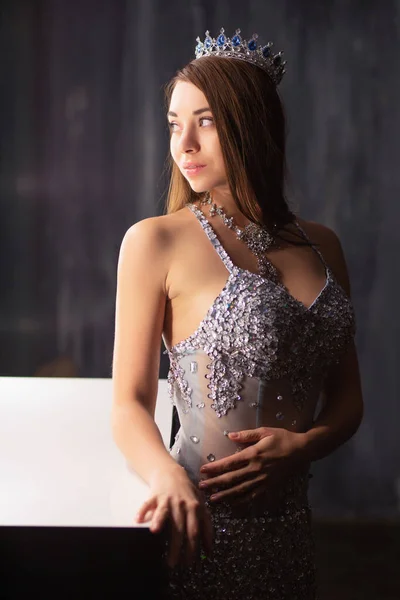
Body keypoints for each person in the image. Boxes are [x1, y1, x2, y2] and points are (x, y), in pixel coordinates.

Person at [111, 27, 363, 599]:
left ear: (252, 125)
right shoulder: (156, 242)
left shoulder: (324, 245)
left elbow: (349, 401)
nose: (185, 145)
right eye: (175, 124)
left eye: (205, 120)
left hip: (291, 538)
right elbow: (127, 404)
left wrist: (306, 446)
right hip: (198, 529)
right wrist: (166, 476)